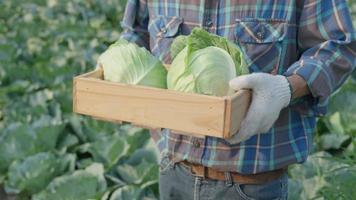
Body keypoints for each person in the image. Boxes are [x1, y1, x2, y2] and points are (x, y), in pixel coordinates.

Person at [118, 0, 356, 199]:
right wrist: (119, 64)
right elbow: (134, 32)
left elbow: (337, 47)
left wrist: (285, 89)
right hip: (172, 174)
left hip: (251, 187)